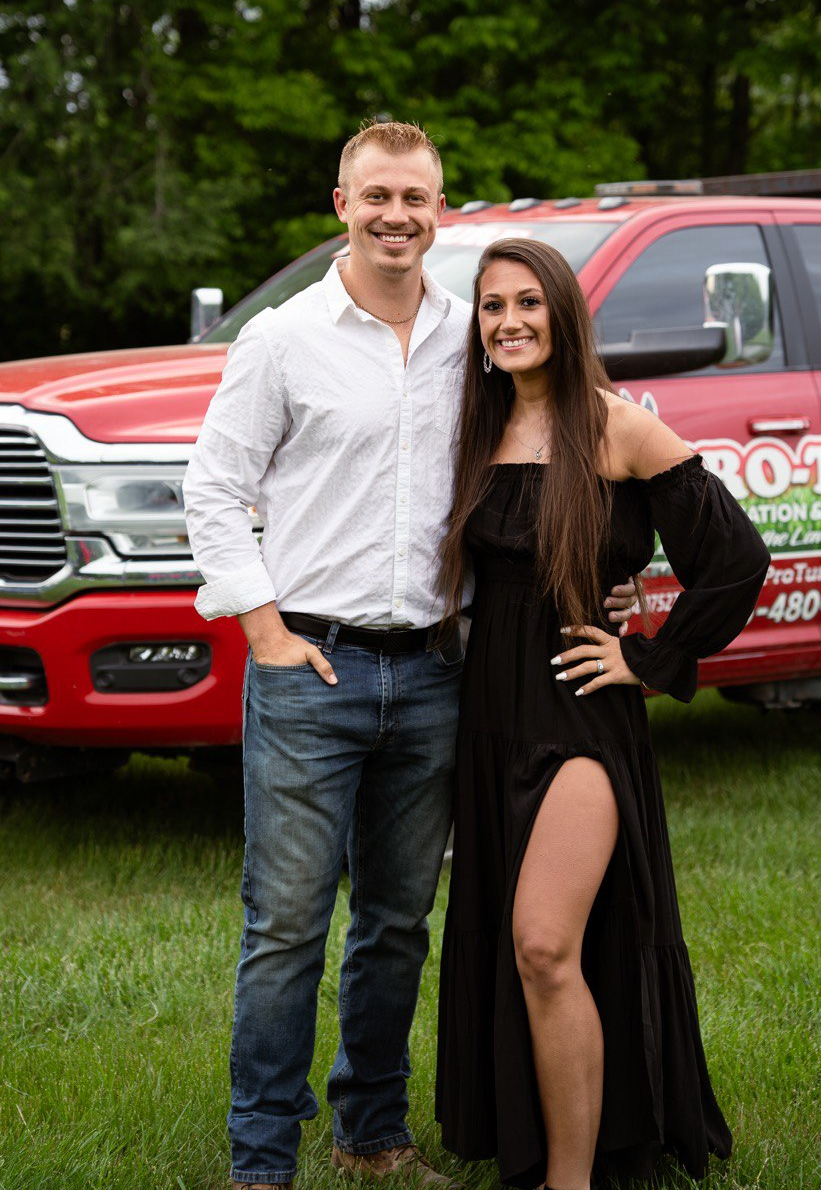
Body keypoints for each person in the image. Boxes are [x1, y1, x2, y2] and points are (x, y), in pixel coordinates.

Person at [182, 122, 638, 1190]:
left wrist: (611, 568)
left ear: (442, 210)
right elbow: (210, 489)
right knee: (287, 924)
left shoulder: (471, 335)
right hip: (313, 668)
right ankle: (260, 1159)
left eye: (416, 198)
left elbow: (556, 445)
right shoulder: (284, 339)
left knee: (397, 920)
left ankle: (372, 1132)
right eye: (375, 194)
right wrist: (263, 631)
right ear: (339, 201)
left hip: (438, 670)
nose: (396, 214)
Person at [434, 238, 771, 1190]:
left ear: (564, 315)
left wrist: (649, 653)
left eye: (529, 302)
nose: (508, 321)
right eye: (492, 305)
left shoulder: (617, 427)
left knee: (543, 940)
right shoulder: (476, 426)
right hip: (487, 719)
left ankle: (572, 1182)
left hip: (580, 717)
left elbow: (737, 561)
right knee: (527, 949)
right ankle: (540, 1145)